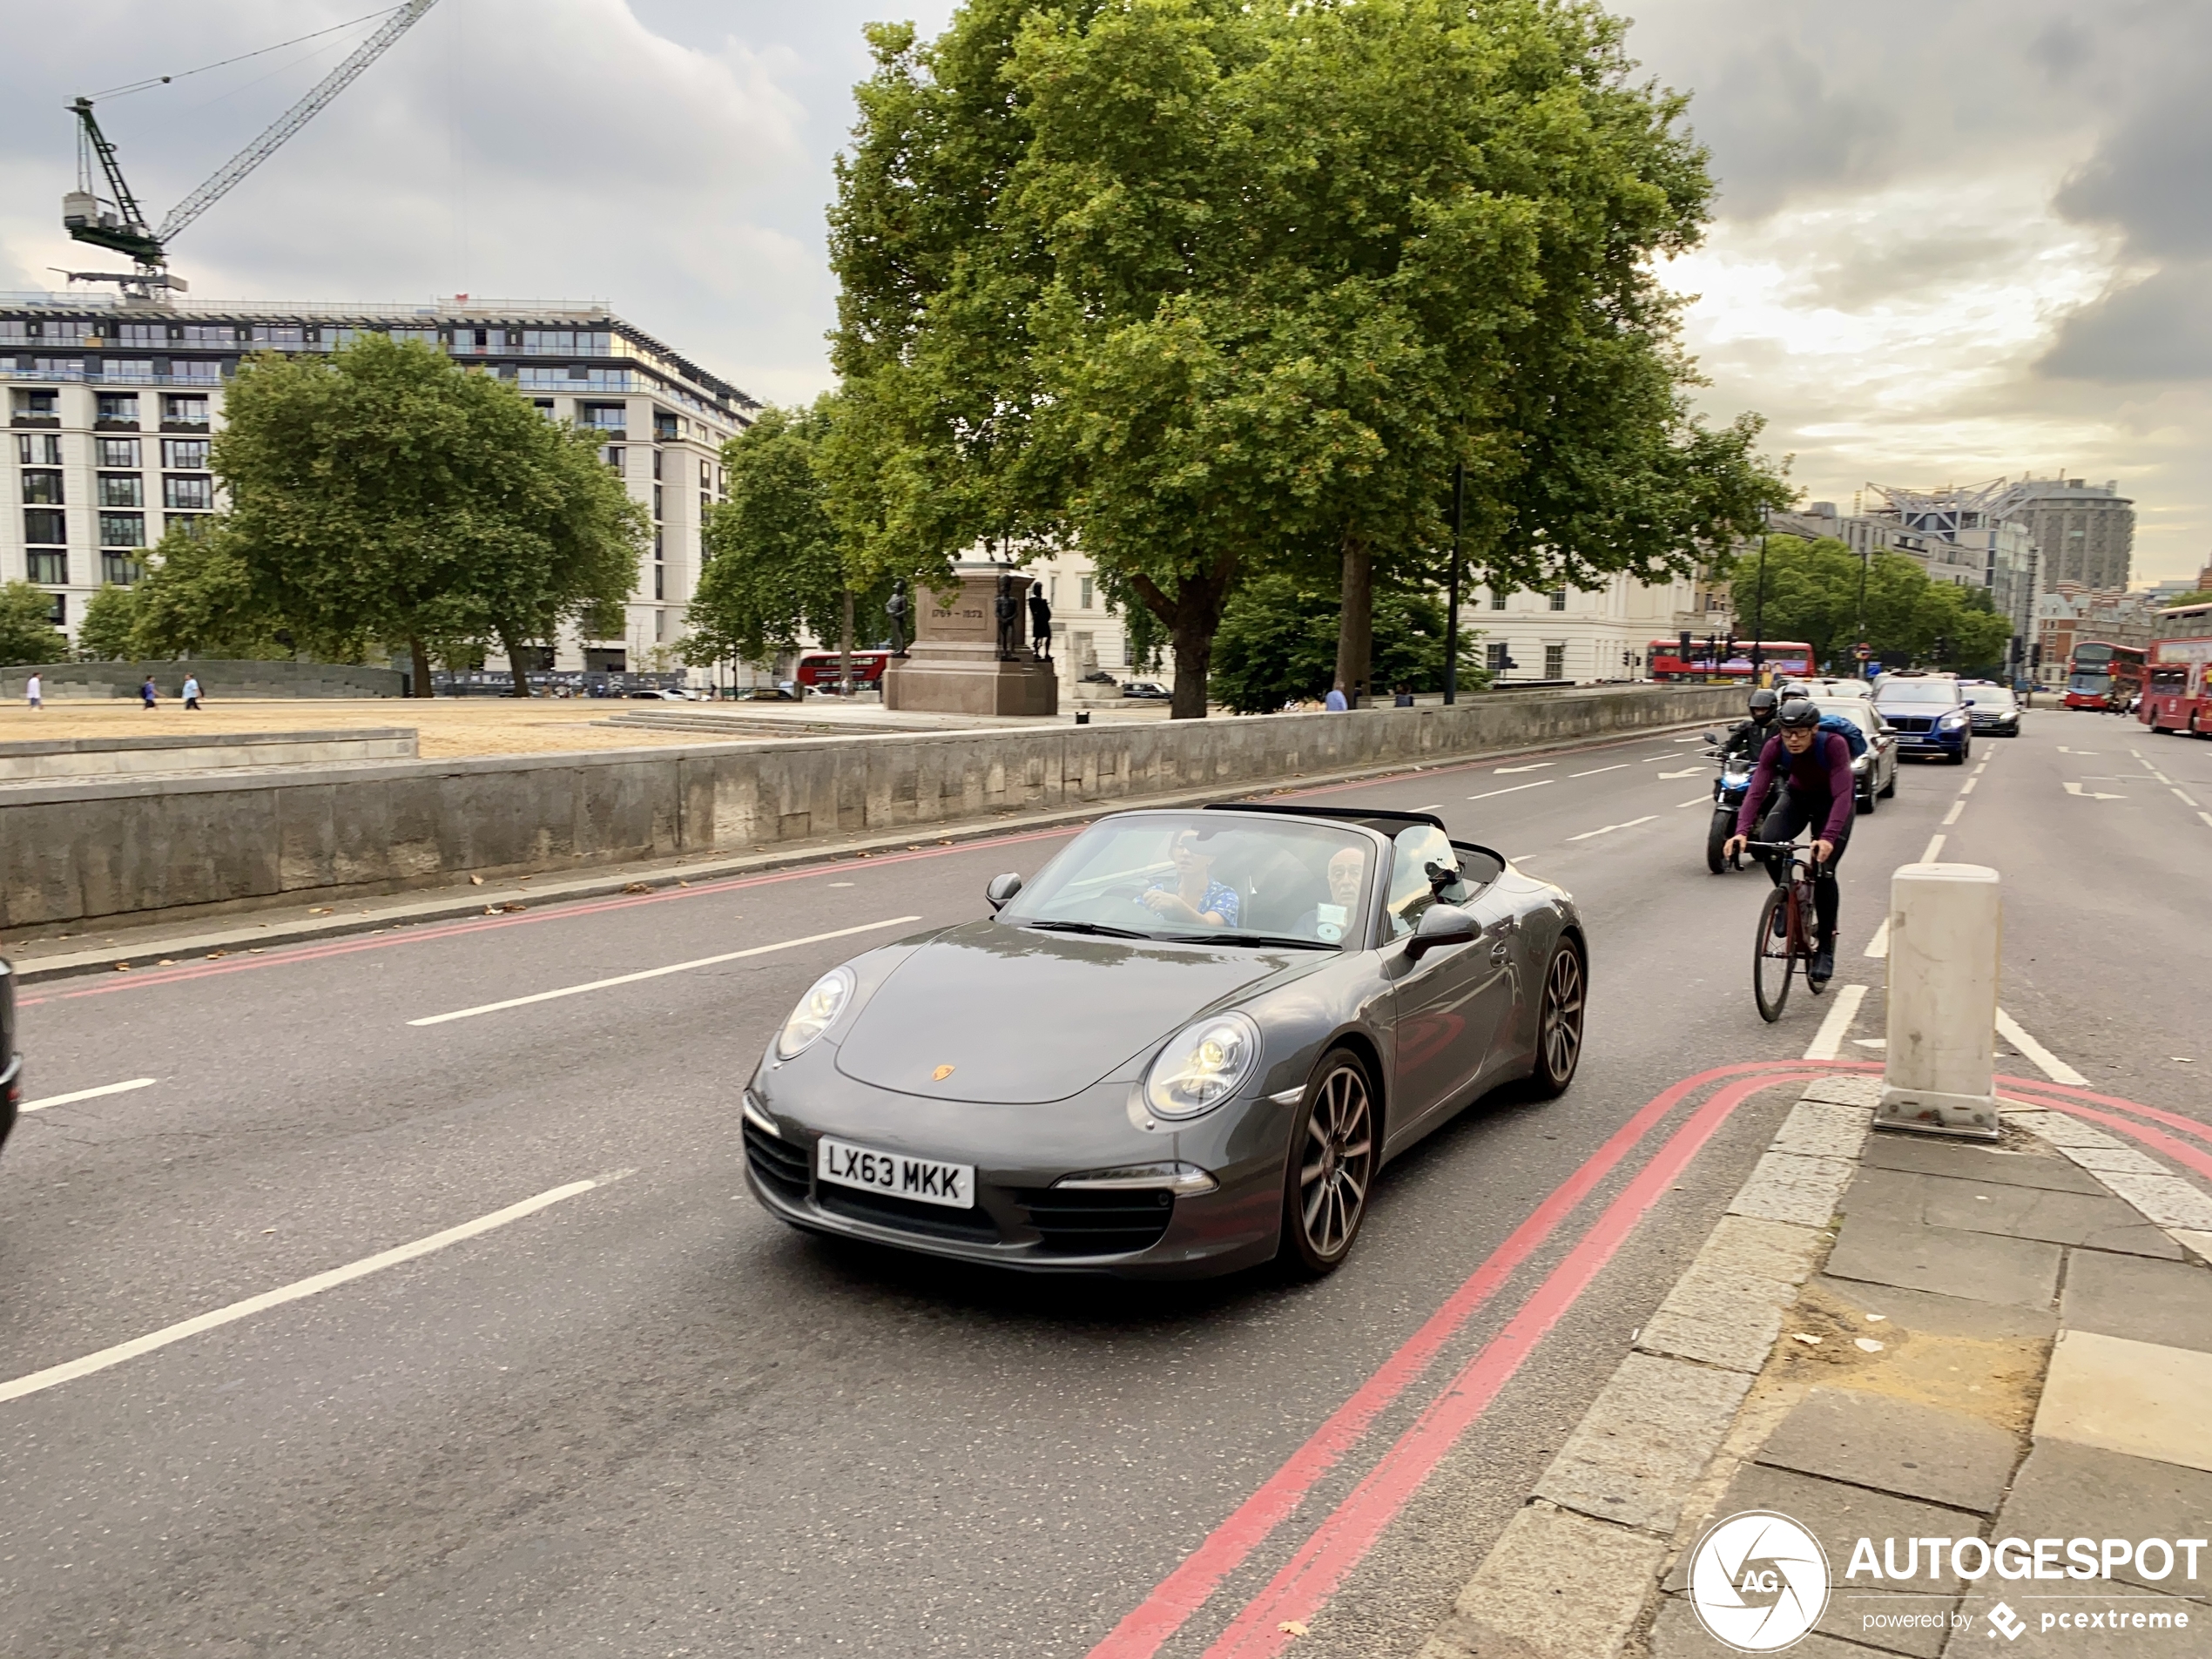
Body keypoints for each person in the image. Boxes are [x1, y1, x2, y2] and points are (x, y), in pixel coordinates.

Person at [1724, 699, 1854, 981]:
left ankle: (1825, 950)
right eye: (1787, 733)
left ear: (1814, 729)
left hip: (1832, 803)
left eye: (1801, 733)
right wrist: (1741, 831)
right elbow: (1757, 791)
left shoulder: (1833, 745)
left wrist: (1827, 837)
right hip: (1797, 797)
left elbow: (1844, 794)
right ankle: (1786, 897)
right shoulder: (1775, 746)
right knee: (1770, 842)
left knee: (1824, 869)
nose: (1793, 740)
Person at [1138, 828, 1238, 928]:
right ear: (1172, 853)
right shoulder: (1158, 892)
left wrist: (1177, 905)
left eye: (1195, 847)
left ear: (1211, 858)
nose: (1185, 853)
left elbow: (1209, 925)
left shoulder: (1225, 895)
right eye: (1180, 846)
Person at [1292, 846, 1368, 943]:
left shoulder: (1380, 921)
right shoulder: (1308, 923)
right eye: (1338, 874)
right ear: (1330, 883)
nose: (1346, 881)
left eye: (1355, 872)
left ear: (1369, 879)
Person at [1719, 686, 1781, 763]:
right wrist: (1723, 752)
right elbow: (1733, 743)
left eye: (1763, 709)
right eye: (1756, 710)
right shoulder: (1747, 727)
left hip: (1775, 769)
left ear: (1772, 708)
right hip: (1751, 768)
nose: (1759, 713)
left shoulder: (1781, 728)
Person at [1028, 581, 1052, 660]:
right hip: (1038, 622)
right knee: (1037, 637)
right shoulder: (1033, 600)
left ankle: (1046, 653)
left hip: (1044, 621)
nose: (1040, 590)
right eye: (1039, 589)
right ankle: (1037, 652)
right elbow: (1035, 611)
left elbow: (1047, 612)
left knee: (1048, 636)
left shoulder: (1042, 600)